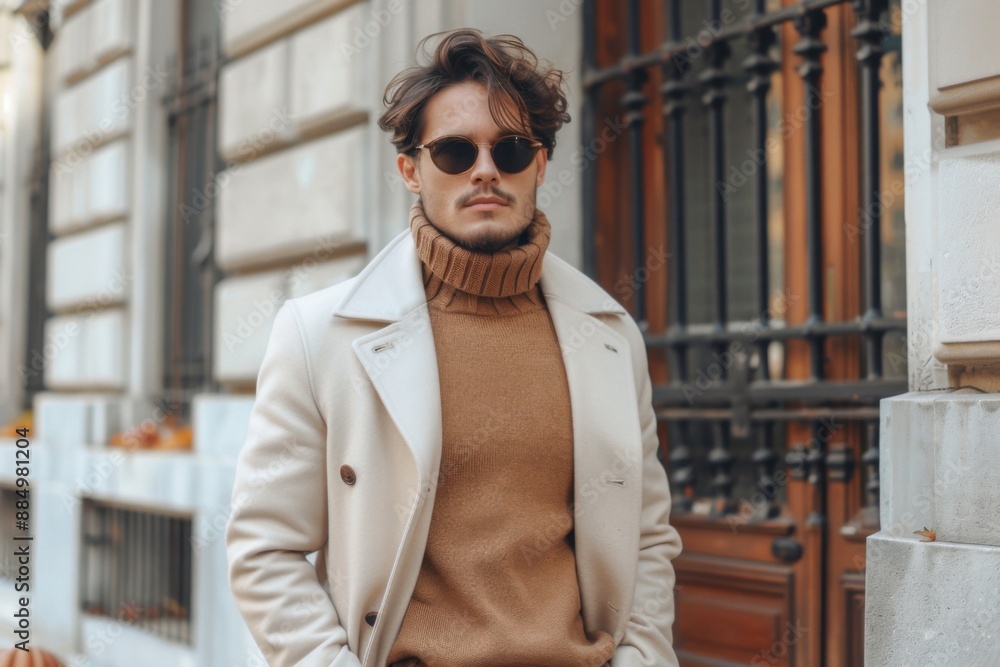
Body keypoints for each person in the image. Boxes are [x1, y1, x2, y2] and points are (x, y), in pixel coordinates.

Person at [225, 28, 682, 667]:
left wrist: (642, 656)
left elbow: (648, 538)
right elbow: (263, 546)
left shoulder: (608, 333)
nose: (486, 171)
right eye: (454, 152)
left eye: (513, 149)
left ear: (542, 164)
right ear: (410, 169)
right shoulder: (320, 334)